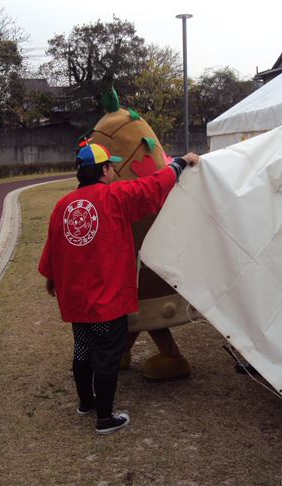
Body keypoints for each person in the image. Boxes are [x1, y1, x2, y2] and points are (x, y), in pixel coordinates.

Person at [38, 142, 200, 434]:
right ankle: (105, 418)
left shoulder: (63, 206)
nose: (114, 170)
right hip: (107, 299)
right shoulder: (116, 196)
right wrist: (181, 162)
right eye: (111, 166)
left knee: (83, 349)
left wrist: (51, 277)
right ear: (103, 170)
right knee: (107, 356)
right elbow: (154, 185)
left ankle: (86, 403)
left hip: (77, 299)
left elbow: (53, 247)